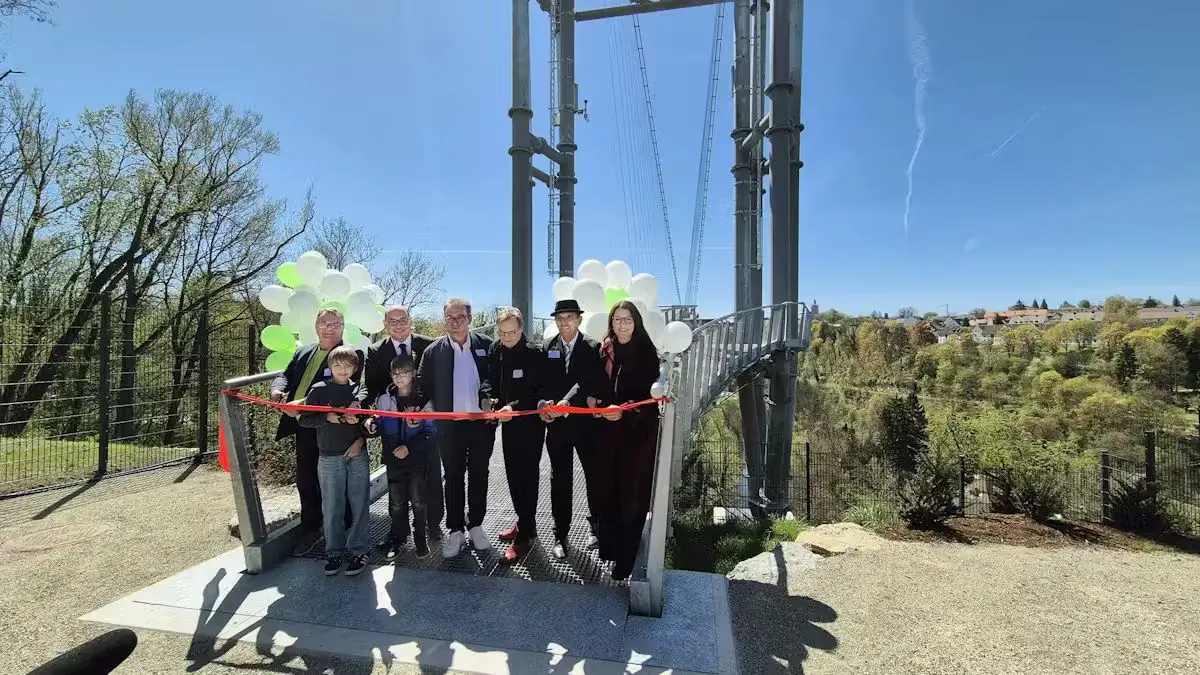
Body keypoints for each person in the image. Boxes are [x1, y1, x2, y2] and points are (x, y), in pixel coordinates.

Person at [269, 308, 363, 555]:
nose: (329, 327)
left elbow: (351, 394)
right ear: (316, 325)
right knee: (307, 480)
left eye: (335, 323)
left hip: (333, 428)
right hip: (303, 426)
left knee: (338, 483)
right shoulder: (303, 351)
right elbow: (284, 376)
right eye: (324, 322)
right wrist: (277, 391)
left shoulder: (352, 355)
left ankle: (343, 532)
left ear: (343, 326)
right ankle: (311, 530)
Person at [414, 297, 496, 558]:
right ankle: (455, 530)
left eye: (461, 317)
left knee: (479, 474)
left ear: (470, 318)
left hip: (481, 426)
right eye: (450, 317)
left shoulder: (486, 346)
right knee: (453, 477)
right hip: (449, 428)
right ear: (445, 320)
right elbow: (421, 385)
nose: (456, 322)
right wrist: (421, 405)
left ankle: (476, 525)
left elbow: (496, 380)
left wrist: (493, 401)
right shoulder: (433, 351)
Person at [593, 300, 662, 581]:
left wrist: (623, 411)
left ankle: (626, 559)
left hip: (636, 434)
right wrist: (594, 401)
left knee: (631, 496)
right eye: (617, 319)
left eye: (627, 319)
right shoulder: (604, 350)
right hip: (607, 434)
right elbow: (594, 383)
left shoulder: (646, 352)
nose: (622, 324)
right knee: (607, 491)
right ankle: (609, 549)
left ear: (636, 323)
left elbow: (648, 396)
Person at [365, 305, 440, 545]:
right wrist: (367, 413)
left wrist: (427, 409)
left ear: (411, 321)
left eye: (403, 319)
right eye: (392, 321)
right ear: (385, 324)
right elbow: (372, 387)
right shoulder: (376, 351)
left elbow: (438, 382)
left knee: (432, 476)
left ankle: (433, 526)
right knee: (396, 484)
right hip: (394, 430)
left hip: (425, 425)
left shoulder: (429, 345)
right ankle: (398, 532)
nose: (398, 325)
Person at [538, 298, 606, 560]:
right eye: (560, 318)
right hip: (557, 426)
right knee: (560, 480)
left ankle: (596, 528)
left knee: (594, 477)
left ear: (579, 319)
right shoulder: (548, 346)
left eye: (569, 318)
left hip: (585, 426)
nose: (564, 323)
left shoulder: (592, 347)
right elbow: (543, 382)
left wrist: (568, 402)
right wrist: (544, 404)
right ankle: (561, 535)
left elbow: (589, 382)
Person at [297, 345, 372, 576]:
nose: (342, 369)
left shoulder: (360, 391)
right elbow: (303, 419)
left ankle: (359, 550)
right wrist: (325, 416)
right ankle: (334, 552)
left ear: (355, 368)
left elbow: (370, 421)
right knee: (331, 507)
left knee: (359, 504)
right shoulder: (319, 390)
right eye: (337, 365)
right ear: (330, 367)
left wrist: (360, 438)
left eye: (348, 365)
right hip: (329, 457)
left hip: (357, 455)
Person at [485, 308, 546, 564]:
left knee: (526, 476)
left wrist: (515, 406)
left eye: (512, 332)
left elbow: (537, 391)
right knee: (512, 474)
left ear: (521, 330)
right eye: (502, 332)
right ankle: (523, 522)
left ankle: (525, 536)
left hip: (529, 423)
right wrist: (487, 398)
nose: (507, 337)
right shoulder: (495, 350)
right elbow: (487, 379)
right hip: (506, 423)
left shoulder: (534, 353)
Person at [364, 355, 435, 560]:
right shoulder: (384, 398)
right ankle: (399, 537)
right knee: (396, 502)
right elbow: (377, 420)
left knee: (419, 500)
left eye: (404, 372)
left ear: (413, 373)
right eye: (395, 373)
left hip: (416, 459)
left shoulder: (424, 400)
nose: (399, 377)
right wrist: (371, 424)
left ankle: (420, 538)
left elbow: (431, 432)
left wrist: (410, 448)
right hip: (393, 458)